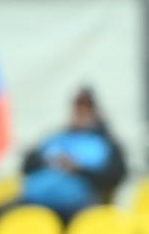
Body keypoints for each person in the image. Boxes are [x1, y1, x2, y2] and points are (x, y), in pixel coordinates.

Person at [11, 87, 128, 225]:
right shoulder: (56, 138)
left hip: (77, 206)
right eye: (78, 110)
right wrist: (48, 161)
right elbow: (27, 167)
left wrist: (79, 169)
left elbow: (115, 176)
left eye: (86, 110)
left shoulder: (106, 144)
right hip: (36, 201)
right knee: (1, 214)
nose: (81, 114)